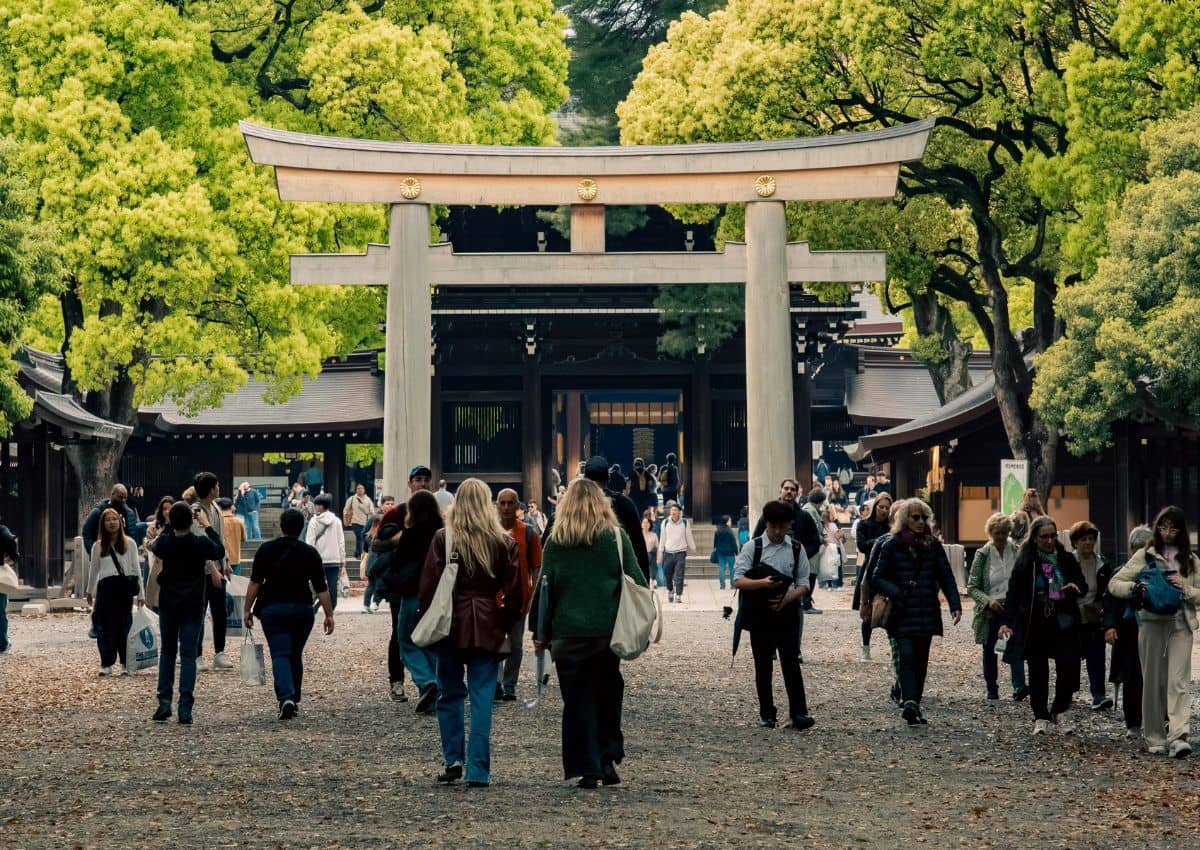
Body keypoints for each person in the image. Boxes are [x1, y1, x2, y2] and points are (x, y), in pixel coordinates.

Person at [530, 478, 647, 788]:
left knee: (578, 701)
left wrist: (537, 629)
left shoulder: (557, 540)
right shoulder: (616, 538)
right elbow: (636, 579)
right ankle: (607, 757)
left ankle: (588, 765)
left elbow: (545, 587)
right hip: (606, 632)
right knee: (607, 693)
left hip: (567, 634)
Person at [419, 478, 521, 788]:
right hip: (488, 622)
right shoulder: (503, 542)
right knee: (482, 697)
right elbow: (515, 593)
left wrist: (429, 622)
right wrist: (502, 622)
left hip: (451, 623)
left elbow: (428, 589)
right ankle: (479, 769)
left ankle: (454, 758)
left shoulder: (443, 538)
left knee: (450, 694)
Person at [1108, 506, 1200, 758]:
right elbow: (1115, 583)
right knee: (1152, 681)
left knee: (1178, 681)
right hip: (1150, 622)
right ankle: (1155, 735)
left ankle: (1178, 735)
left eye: (1173, 527)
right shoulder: (1144, 555)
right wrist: (1136, 589)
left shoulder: (1190, 561)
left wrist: (1186, 589)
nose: (1168, 532)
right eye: (1163, 526)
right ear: (1157, 528)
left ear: (1181, 530)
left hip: (1181, 623)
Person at [870, 498, 962, 726]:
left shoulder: (933, 545)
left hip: (927, 609)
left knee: (921, 660)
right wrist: (898, 591)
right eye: (915, 517)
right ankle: (909, 700)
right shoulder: (892, 544)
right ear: (905, 519)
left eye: (923, 517)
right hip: (902, 611)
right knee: (907, 656)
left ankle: (914, 703)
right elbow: (877, 577)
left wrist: (955, 604)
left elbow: (946, 575)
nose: (920, 522)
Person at [997, 516, 1087, 735]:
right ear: (1035, 539)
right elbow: (1014, 594)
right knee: (1038, 671)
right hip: (1036, 621)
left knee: (1068, 666)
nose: (1049, 541)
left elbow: (1082, 583)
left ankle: (1060, 709)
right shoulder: (1027, 562)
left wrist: (1076, 587)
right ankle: (1040, 715)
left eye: (1052, 536)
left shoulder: (1065, 559)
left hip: (1063, 619)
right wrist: (1006, 622)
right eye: (1044, 537)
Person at [243, 508, 335, 721]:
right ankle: (294, 696)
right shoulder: (310, 553)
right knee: (295, 653)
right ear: (301, 527)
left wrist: (247, 609)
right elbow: (322, 587)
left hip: (273, 609)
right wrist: (329, 614)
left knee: (280, 653)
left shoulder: (266, 550)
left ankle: (286, 697)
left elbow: (255, 582)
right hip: (302, 609)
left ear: (281, 525)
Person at [734, 499, 814, 730]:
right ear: (766, 524)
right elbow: (738, 579)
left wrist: (788, 598)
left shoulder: (797, 549)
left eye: (783, 526)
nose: (778, 531)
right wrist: (762, 583)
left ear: (789, 525)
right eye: (773, 526)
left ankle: (798, 712)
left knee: (791, 662)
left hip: (787, 612)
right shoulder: (753, 547)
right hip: (760, 613)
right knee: (763, 664)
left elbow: (804, 583)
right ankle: (767, 713)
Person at [151, 501, 225, 724]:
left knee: (167, 652)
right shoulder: (199, 542)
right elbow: (219, 550)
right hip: (193, 603)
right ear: (191, 520)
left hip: (169, 602)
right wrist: (207, 526)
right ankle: (185, 707)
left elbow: (153, 546)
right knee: (189, 656)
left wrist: (164, 529)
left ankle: (164, 701)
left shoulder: (165, 542)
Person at [375, 494, 441, 712]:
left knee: (407, 641)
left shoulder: (411, 534)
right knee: (432, 643)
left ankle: (426, 681)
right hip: (437, 595)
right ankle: (436, 690)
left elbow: (397, 561)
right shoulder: (442, 533)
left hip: (413, 592)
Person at [542, 457, 650, 578]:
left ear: (584, 479)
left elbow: (545, 548)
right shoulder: (624, 504)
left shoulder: (566, 509)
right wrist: (643, 583)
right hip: (611, 583)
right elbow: (639, 548)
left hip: (569, 582)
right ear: (608, 478)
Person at [966, 513, 1027, 702]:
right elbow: (972, 586)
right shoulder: (983, 554)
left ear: (1009, 532)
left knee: (1015, 646)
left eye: (1003, 532)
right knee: (990, 649)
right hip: (990, 609)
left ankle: (1019, 686)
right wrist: (987, 601)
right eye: (996, 533)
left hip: (1012, 607)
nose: (1000, 536)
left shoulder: (1016, 551)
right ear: (990, 533)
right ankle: (992, 688)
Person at [495, 488, 543, 702]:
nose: (506, 507)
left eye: (510, 503)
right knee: (494, 642)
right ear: (497, 505)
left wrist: (532, 594)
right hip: (492, 598)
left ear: (517, 506)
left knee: (515, 644)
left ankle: (509, 684)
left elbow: (536, 565)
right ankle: (494, 682)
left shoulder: (529, 532)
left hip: (519, 596)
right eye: (502, 503)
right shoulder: (490, 531)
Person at [86, 508, 146, 675]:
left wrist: (141, 594)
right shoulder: (98, 546)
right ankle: (106, 663)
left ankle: (125, 662)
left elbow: (136, 570)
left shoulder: (130, 543)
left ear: (120, 522)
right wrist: (89, 591)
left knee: (124, 625)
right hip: (105, 587)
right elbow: (94, 570)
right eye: (108, 520)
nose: (112, 522)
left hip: (123, 588)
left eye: (114, 519)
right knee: (104, 626)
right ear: (103, 524)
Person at [1105, 525, 1151, 739]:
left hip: (1153, 631)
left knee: (1156, 678)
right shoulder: (1120, 573)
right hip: (1129, 632)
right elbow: (1111, 603)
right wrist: (1111, 626)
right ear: (1132, 548)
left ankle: (1158, 721)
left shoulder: (1159, 572)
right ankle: (1133, 723)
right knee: (1132, 678)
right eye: (1138, 548)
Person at [191, 473, 233, 671]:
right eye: (216, 486)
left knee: (220, 611)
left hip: (218, 566)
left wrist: (226, 562)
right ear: (210, 489)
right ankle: (197, 654)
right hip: (201, 570)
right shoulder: (196, 511)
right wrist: (211, 567)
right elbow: (200, 542)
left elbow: (220, 539)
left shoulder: (215, 508)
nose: (219, 488)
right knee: (199, 611)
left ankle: (219, 651)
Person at [1070, 520, 1113, 710]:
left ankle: (1098, 694)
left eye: (1091, 539)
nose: (1087, 543)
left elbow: (1107, 592)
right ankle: (1068, 692)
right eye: (1083, 539)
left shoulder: (1102, 563)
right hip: (1072, 616)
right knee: (1070, 656)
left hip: (1094, 615)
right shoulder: (1067, 563)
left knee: (1096, 655)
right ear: (1075, 542)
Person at [852, 493, 892, 662]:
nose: (883, 510)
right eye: (881, 507)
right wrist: (880, 540)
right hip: (869, 568)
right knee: (867, 611)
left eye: (887, 508)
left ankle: (894, 648)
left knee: (891, 610)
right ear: (875, 506)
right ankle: (866, 648)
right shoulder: (864, 524)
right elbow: (861, 546)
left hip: (889, 570)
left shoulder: (892, 527)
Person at [305, 494, 346, 610]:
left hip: (318, 560)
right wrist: (342, 559)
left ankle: (313, 605)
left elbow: (310, 543)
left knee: (315, 585)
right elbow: (341, 541)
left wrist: (309, 559)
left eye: (317, 504)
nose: (316, 506)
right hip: (334, 559)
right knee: (332, 586)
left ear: (321, 506)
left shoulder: (313, 521)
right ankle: (330, 607)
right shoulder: (337, 521)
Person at [81, 484, 139, 558]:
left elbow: (132, 536)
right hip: (103, 553)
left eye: (125, 498)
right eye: (120, 497)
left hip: (122, 554)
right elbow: (86, 532)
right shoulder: (98, 511)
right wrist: (94, 553)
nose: (123, 500)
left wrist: (130, 554)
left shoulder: (129, 513)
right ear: (112, 494)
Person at [361, 495, 397, 613]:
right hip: (375, 554)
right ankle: (367, 604)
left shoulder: (395, 518)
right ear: (381, 505)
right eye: (387, 503)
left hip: (387, 555)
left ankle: (375, 602)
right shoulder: (375, 518)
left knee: (382, 580)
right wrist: (370, 545)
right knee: (373, 581)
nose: (390, 506)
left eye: (392, 503)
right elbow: (364, 534)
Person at [658, 503, 696, 603]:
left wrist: (693, 547)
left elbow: (688, 536)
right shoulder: (665, 522)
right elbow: (662, 538)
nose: (673, 512)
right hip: (668, 553)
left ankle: (678, 595)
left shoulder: (685, 523)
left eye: (675, 510)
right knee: (667, 574)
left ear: (679, 512)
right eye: (672, 510)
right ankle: (670, 590)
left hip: (680, 552)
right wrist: (660, 552)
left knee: (679, 574)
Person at [142, 496, 174, 611]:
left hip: (173, 566)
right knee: (156, 600)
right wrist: (159, 538)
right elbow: (149, 545)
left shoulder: (179, 525)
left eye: (170, 509)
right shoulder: (154, 526)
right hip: (155, 564)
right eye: (164, 509)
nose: (167, 512)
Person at [0, 512, 18, 654]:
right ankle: (2, 642)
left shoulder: (2, 530)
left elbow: (11, 540)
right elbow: (12, 540)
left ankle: (2, 642)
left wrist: (12, 557)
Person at [342, 484, 375, 559]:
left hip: (365, 522)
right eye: (358, 488)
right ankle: (360, 553)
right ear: (356, 490)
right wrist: (345, 518)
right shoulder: (352, 498)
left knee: (359, 538)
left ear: (364, 490)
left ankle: (356, 553)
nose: (360, 490)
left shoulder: (368, 499)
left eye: (361, 488)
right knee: (360, 537)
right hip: (355, 522)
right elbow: (346, 509)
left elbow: (372, 511)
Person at [817, 504, 844, 589]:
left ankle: (826, 584)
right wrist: (841, 533)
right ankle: (837, 584)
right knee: (837, 565)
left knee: (826, 565)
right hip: (835, 548)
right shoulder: (833, 525)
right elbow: (837, 536)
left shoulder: (820, 527)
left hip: (825, 547)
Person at [217, 498, 247, 575]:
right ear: (231, 507)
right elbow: (244, 539)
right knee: (235, 584)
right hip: (235, 559)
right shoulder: (239, 521)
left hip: (220, 560)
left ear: (219, 507)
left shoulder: (217, 521)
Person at [713, 515, 739, 591]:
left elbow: (715, 542)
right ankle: (733, 585)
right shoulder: (730, 531)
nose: (731, 522)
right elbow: (733, 542)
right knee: (732, 569)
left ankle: (722, 586)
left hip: (720, 552)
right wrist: (736, 552)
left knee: (721, 568)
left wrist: (715, 549)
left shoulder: (717, 530)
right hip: (730, 552)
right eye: (730, 521)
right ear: (726, 522)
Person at [641, 517, 661, 588]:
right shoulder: (638, 535)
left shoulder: (654, 535)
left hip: (651, 556)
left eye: (647, 523)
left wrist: (659, 557)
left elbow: (658, 547)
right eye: (644, 523)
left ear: (650, 525)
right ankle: (652, 579)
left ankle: (653, 579)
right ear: (641, 525)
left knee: (650, 556)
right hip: (641, 556)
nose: (645, 524)